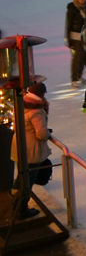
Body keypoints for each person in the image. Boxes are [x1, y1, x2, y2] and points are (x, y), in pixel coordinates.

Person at [10, 81, 51, 219]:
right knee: (28, 180)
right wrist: (48, 133)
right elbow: (41, 134)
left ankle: (15, 203)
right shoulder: (36, 111)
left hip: (20, 147)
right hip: (31, 151)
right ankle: (21, 209)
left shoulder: (20, 103)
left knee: (21, 176)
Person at [66, 0, 86, 86]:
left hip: (85, 35)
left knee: (84, 58)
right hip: (75, 36)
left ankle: (79, 76)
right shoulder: (72, 8)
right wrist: (69, 40)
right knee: (77, 58)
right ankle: (74, 78)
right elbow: (68, 24)